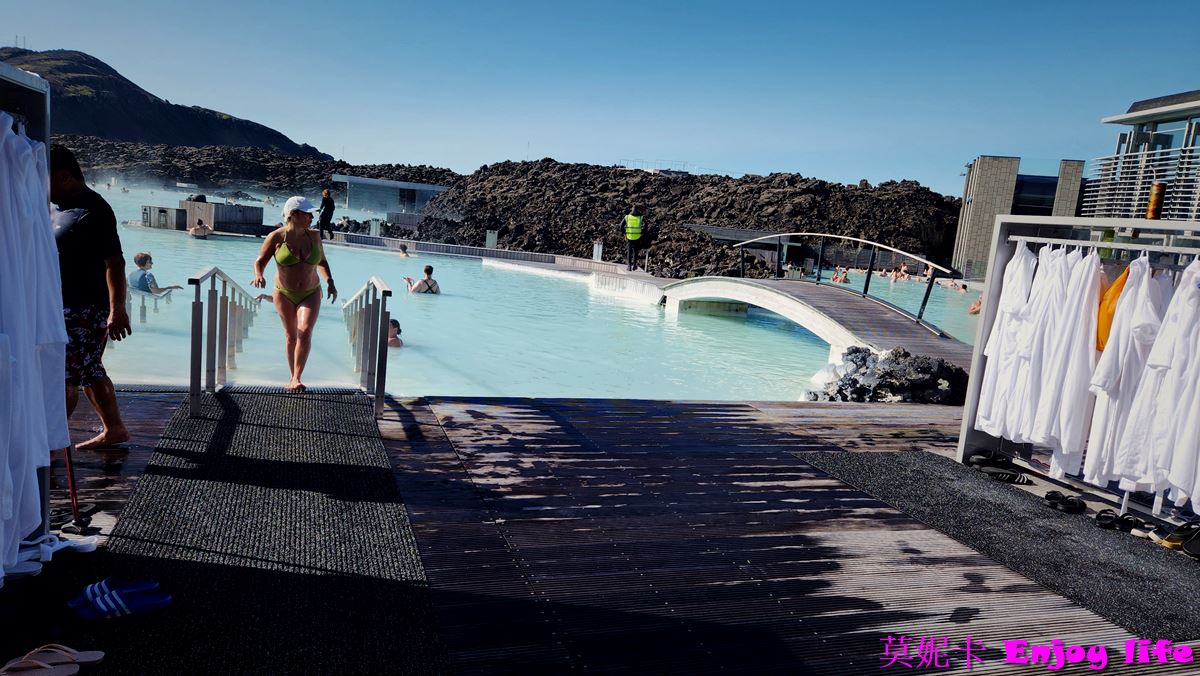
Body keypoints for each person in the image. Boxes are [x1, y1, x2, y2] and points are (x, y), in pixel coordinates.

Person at [50, 144, 132, 450]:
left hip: (86, 308)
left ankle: (51, 445)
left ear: (63, 176)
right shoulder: (54, 205)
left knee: (65, 375)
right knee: (89, 369)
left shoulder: (94, 209)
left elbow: (115, 262)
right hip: (58, 305)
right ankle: (115, 429)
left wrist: (117, 309)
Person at [252, 196, 338, 392]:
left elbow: (322, 262)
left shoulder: (315, 236)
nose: (310, 217)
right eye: (307, 214)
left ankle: (297, 378)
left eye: (311, 214)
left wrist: (330, 283)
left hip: (311, 292)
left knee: (305, 331)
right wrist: (258, 275)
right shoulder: (276, 237)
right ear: (293, 215)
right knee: (291, 336)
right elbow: (260, 261)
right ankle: (292, 376)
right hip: (284, 293)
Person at [621, 205, 644, 271]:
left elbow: (621, 226)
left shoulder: (627, 217)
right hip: (637, 236)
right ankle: (634, 265)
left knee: (629, 251)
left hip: (629, 236)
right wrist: (642, 232)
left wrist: (624, 233)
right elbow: (646, 226)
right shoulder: (640, 217)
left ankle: (629, 266)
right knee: (635, 252)